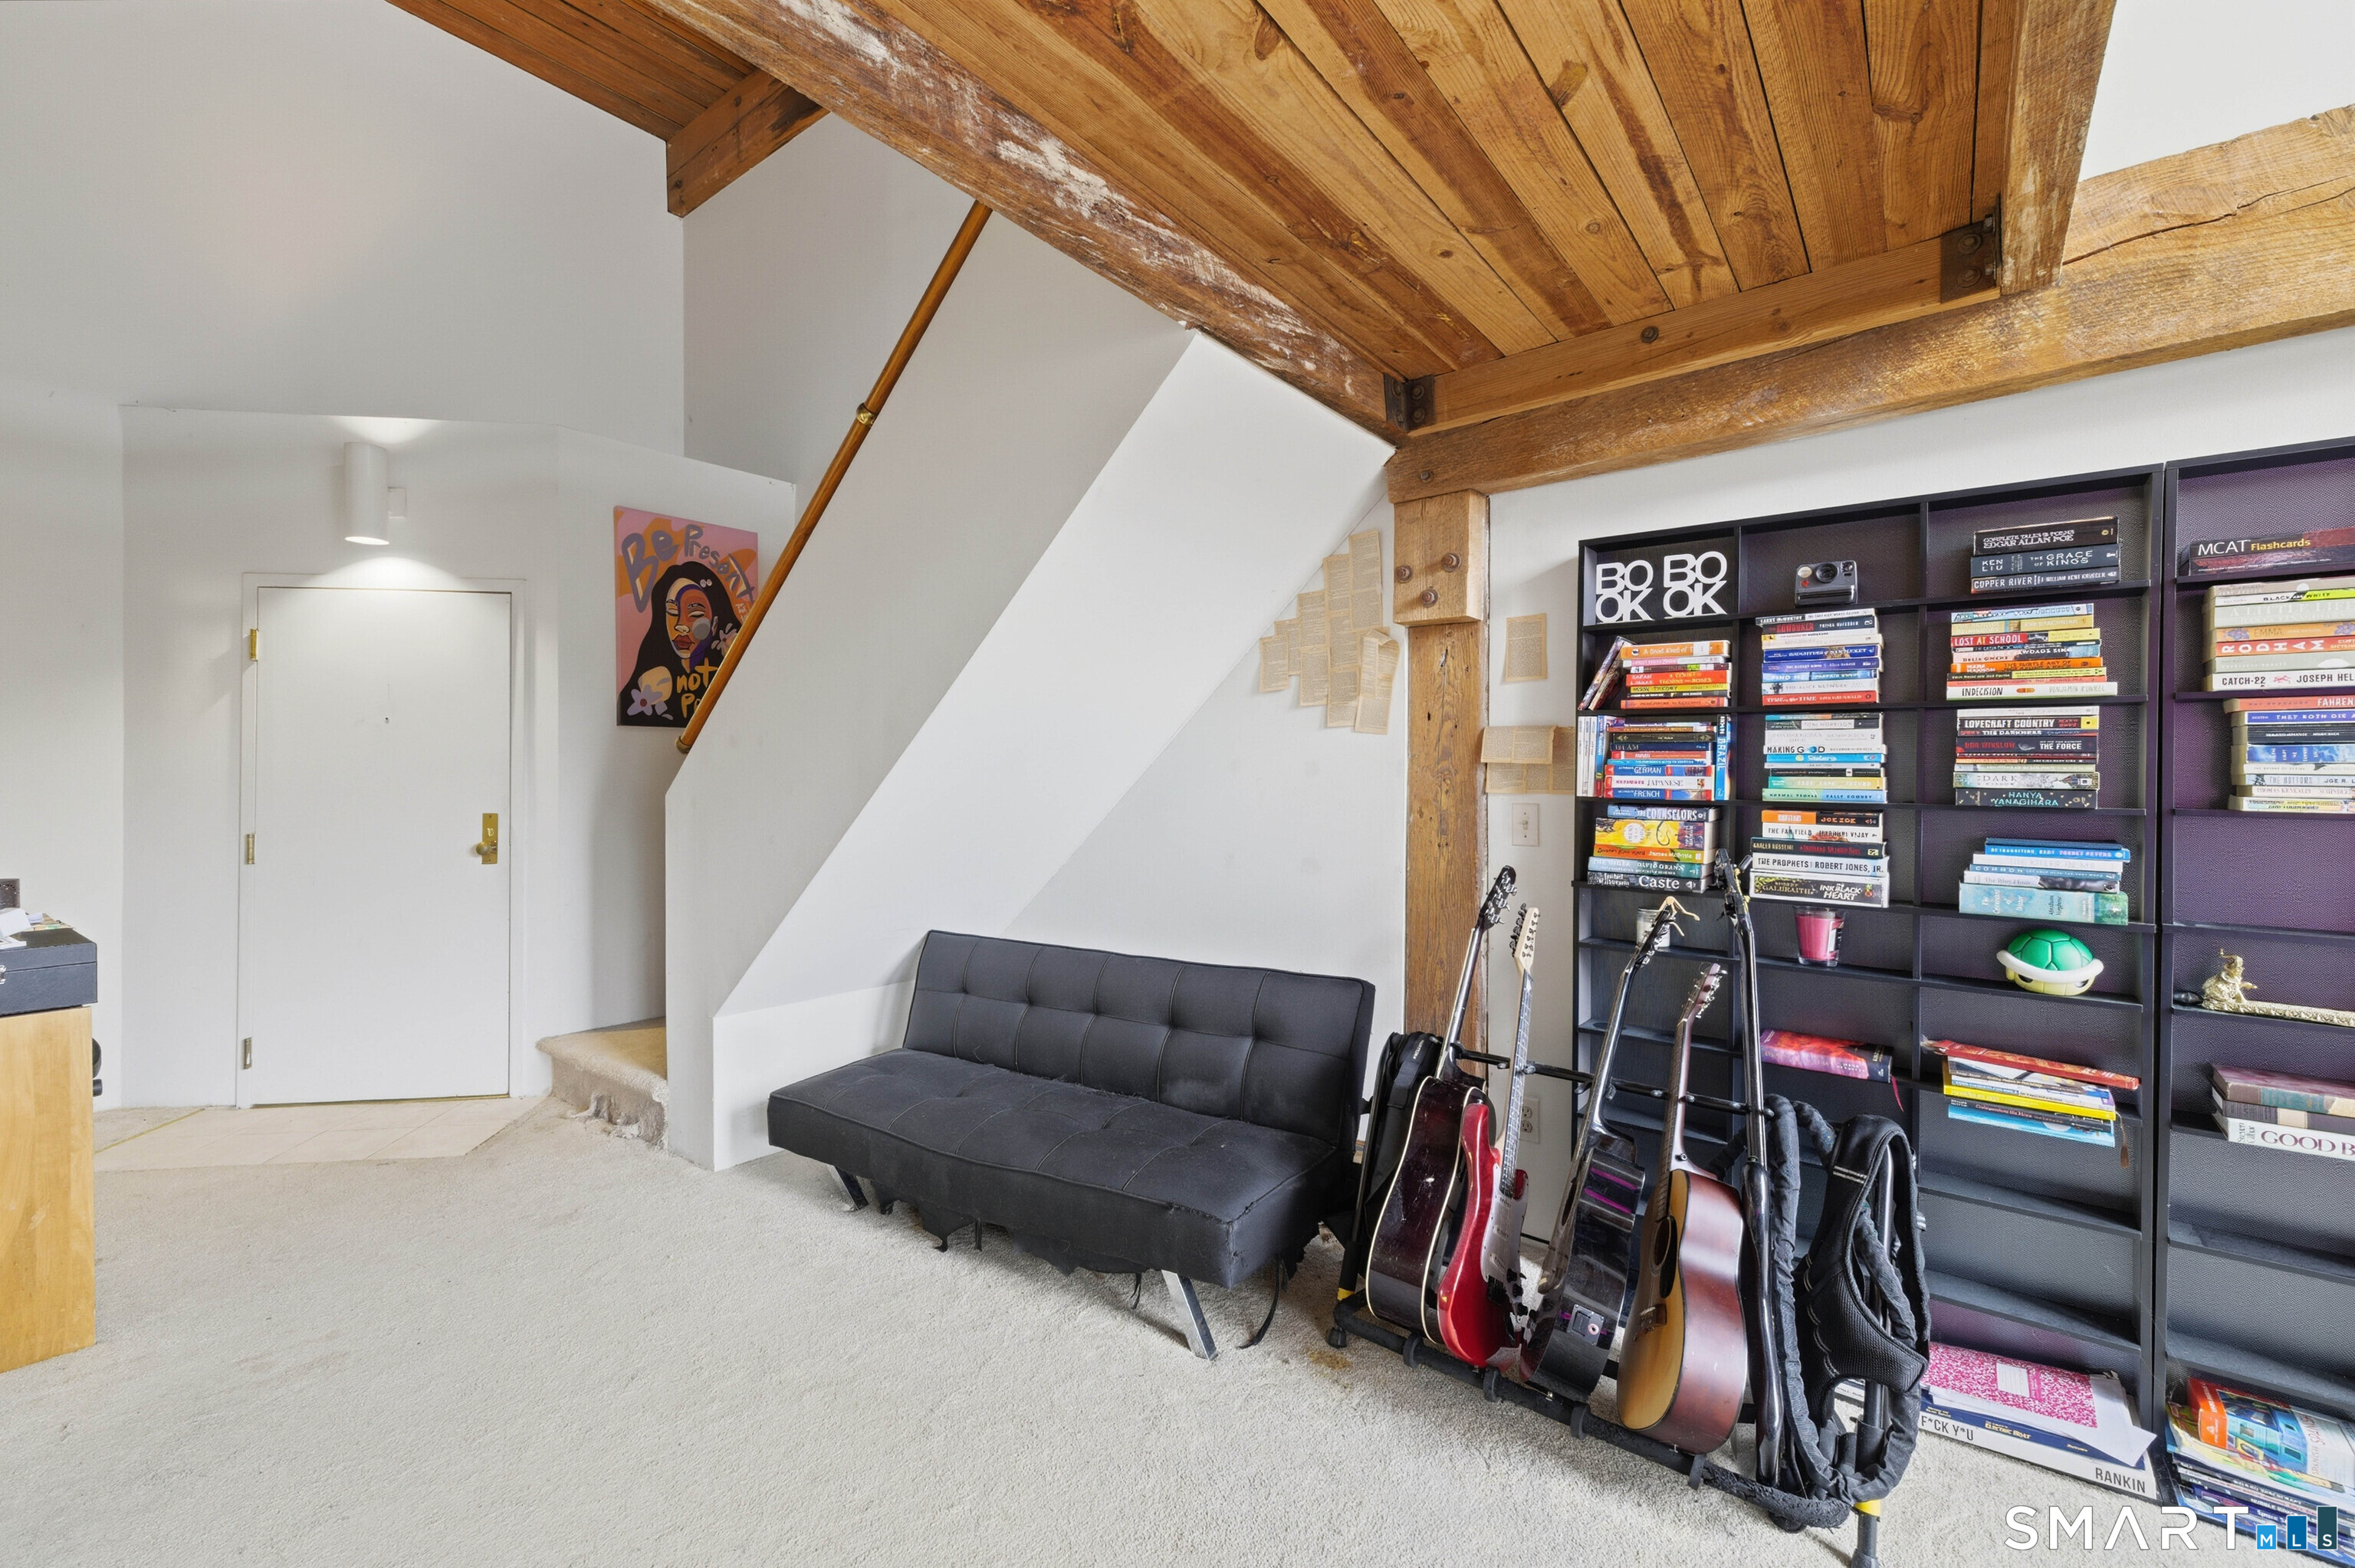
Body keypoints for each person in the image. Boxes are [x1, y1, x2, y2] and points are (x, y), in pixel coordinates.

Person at [619, 562, 743, 727]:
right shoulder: (651, 679)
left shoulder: (735, 677)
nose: (680, 625)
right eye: (672, 611)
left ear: (715, 623)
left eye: (696, 613)